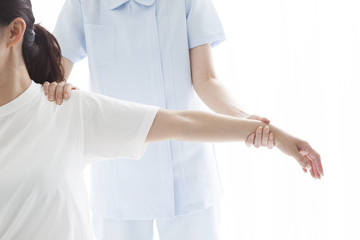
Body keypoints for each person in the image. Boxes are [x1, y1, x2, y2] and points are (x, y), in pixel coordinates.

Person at [41, 0, 323, 239]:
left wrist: (247, 120)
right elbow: (55, 75)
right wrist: (58, 86)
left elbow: (206, 80)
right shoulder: (85, 4)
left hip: (187, 174)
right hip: (119, 180)